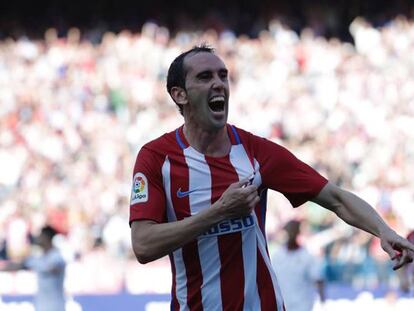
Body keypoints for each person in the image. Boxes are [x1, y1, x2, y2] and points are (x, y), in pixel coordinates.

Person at [129, 44, 414, 311]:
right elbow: (143, 245)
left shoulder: (255, 152)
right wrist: (218, 212)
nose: (219, 83)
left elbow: (336, 198)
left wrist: (384, 231)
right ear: (180, 94)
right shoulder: (157, 157)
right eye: (205, 77)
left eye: (223, 76)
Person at [0, 225, 66, 311]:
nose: (38, 238)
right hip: (42, 306)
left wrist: (38, 265)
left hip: (55, 306)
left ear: (47, 237)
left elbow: (54, 268)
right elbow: (18, 265)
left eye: (41, 235)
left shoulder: (56, 256)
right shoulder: (38, 257)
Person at [271, 220, 325, 311]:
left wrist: (323, 301)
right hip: (282, 306)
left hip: (302, 306)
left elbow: (318, 279)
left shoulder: (307, 256)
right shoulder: (277, 255)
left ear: (298, 232)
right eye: (289, 230)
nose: (291, 233)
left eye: (293, 230)